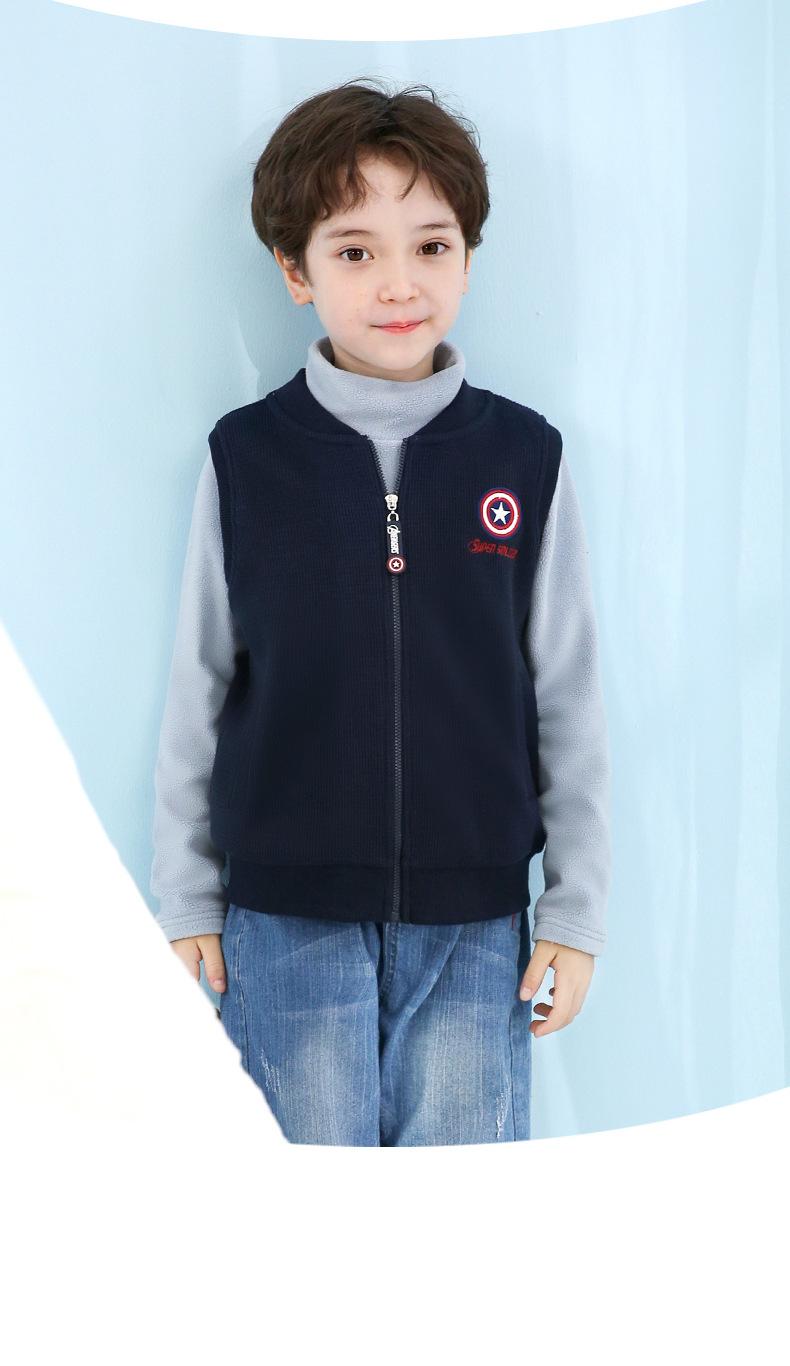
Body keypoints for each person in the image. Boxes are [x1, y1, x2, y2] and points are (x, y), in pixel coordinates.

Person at [150, 78, 611, 1146]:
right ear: (294, 271)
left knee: (454, 1218)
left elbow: (568, 694)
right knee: (309, 1212)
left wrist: (574, 907)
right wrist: (189, 899)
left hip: (477, 927)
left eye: (431, 246)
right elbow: (198, 687)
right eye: (354, 251)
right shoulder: (247, 458)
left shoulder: (523, 456)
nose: (399, 283)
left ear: (467, 257)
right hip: (283, 924)